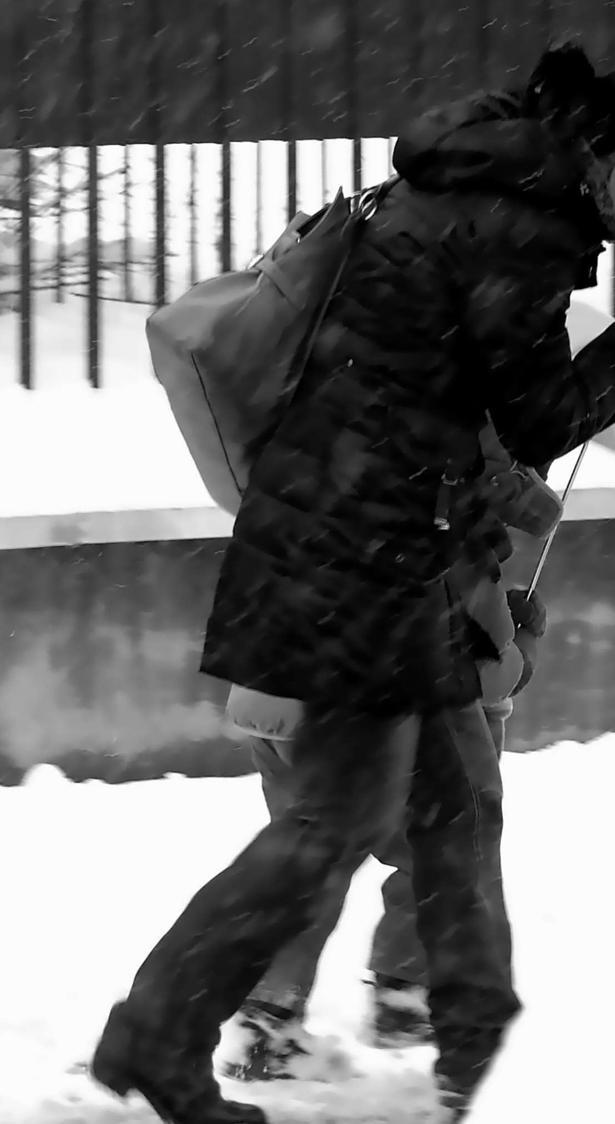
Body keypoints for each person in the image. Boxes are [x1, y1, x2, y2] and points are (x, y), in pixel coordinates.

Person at [89, 42, 615, 1124]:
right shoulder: (525, 224)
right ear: (610, 159)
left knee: (459, 801)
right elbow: (535, 416)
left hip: (374, 536)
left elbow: (433, 394)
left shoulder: (461, 190)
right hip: (366, 554)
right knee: (333, 821)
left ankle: (482, 1057)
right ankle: (158, 1030)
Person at [215, 429, 561, 1083]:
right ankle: (403, 993)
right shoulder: (453, 540)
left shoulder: (337, 461)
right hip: (354, 714)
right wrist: (523, 633)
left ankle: (269, 1012)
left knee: (307, 860)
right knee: (441, 848)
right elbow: (478, 681)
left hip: (272, 693)